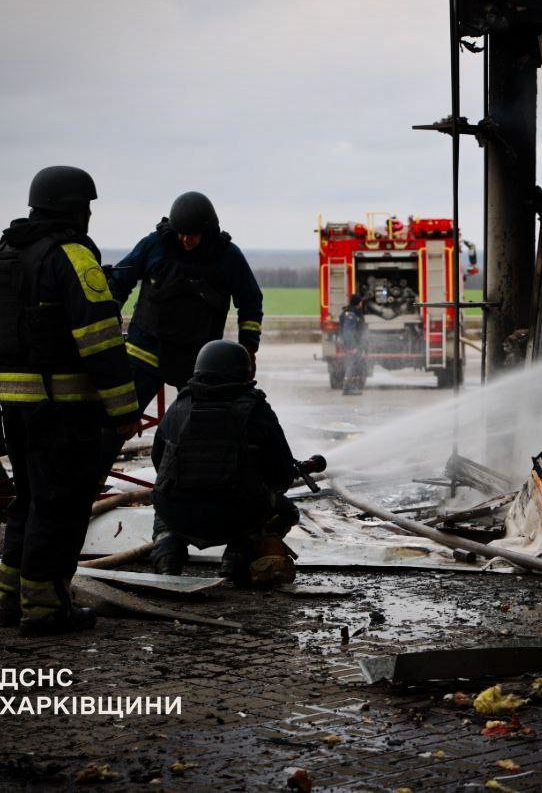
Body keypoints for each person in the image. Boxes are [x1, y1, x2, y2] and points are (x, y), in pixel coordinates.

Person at [0, 165, 140, 636]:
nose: (89, 215)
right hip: (63, 407)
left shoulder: (6, 253)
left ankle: (11, 600)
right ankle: (46, 609)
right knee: (61, 505)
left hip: (13, 402)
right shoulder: (71, 256)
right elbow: (101, 341)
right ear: (75, 209)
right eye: (86, 207)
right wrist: (125, 410)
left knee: (27, 501)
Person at [102, 191, 263, 571]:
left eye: (193, 235)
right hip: (144, 354)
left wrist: (247, 348)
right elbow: (119, 281)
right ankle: (88, 488)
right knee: (113, 423)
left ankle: (189, 498)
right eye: (181, 234)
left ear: (207, 230)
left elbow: (250, 300)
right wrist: (109, 323)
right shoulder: (155, 245)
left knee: (198, 433)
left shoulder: (227, 256)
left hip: (199, 364)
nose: (186, 241)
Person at [150, 340, 321, 584]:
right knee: (286, 512)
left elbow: (160, 464)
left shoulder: (179, 405)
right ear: (245, 372)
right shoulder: (256, 410)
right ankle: (238, 556)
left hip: (179, 515)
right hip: (234, 516)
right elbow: (280, 477)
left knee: (163, 504)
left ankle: (167, 556)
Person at [337, 293, 368, 395]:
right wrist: (352, 347)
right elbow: (348, 332)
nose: (361, 303)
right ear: (358, 302)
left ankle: (353, 387)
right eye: (360, 301)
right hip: (353, 345)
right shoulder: (351, 314)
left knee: (356, 365)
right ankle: (348, 388)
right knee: (352, 365)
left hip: (356, 344)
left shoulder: (352, 312)